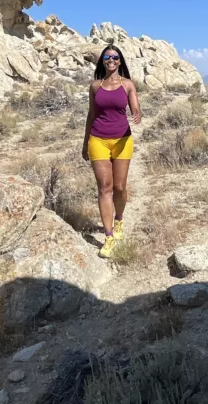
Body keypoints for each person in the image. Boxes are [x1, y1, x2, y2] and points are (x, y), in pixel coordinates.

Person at [83, 44, 142, 258]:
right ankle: (108, 237)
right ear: (102, 61)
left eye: (115, 57)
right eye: (107, 57)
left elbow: (135, 107)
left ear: (120, 60)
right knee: (104, 188)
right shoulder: (95, 86)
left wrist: (137, 113)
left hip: (122, 140)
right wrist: (84, 143)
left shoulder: (127, 85)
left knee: (119, 186)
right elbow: (91, 115)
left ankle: (119, 220)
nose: (111, 60)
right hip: (98, 139)